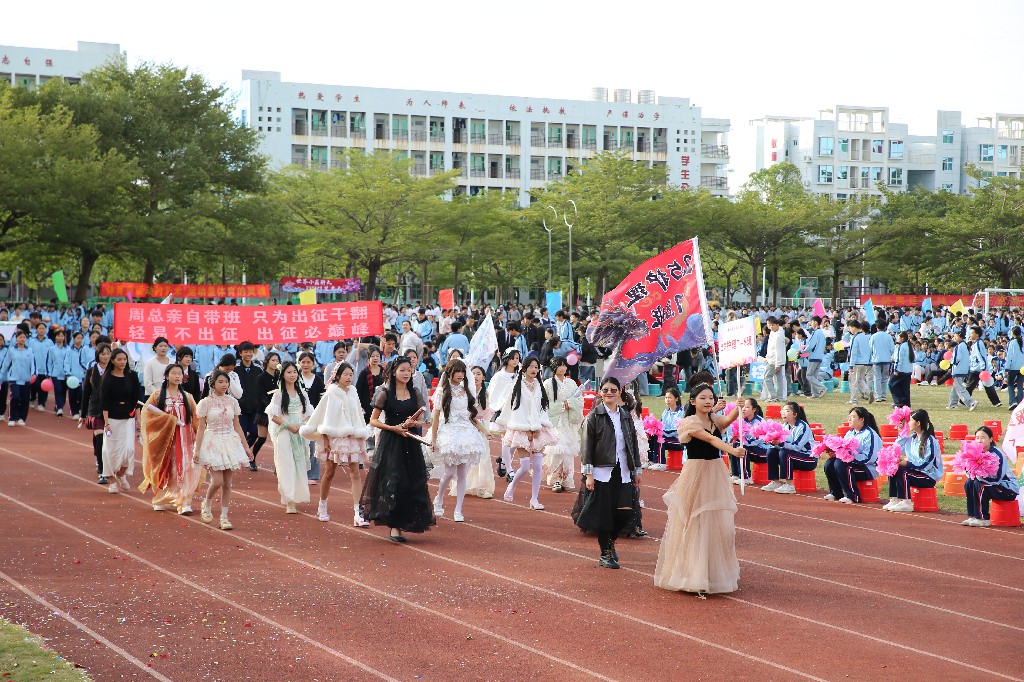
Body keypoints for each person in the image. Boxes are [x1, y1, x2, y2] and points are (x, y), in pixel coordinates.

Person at [654, 372, 743, 594]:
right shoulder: (689, 422)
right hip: (696, 472)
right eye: (703, 398)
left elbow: (726, 422)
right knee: (695, 520)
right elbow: (711, 439)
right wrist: (732, 451)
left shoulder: (714, 419)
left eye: (710, 398)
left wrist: (738, 407)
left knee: (716, 522)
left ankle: (711, 573)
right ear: (693, 401)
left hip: (715, 472)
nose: (708, 401)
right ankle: (691, 574)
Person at [360, 356, 434, 542]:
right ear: (394, 372)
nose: (406, 373)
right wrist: (393, 428)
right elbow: (373, 420)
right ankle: (394, 526)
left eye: (409, 370)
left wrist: (413, 423)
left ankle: (404, 522)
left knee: (412, 482)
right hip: (392, 442)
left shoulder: (415, 392)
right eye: (402, 370)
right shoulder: (385, 393)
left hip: (410, 442)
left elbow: (421, 420)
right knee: (394, 481)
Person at [575, 376, 643, 569]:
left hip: (624, 470)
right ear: (600, 392)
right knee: (604, 513)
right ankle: (605, 552)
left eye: (613, 390)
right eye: (605, 390)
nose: (609, 393)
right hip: (602, 472)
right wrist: (589, 474)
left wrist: (637, 469)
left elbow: (633, 444)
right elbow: (587, 447)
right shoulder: (594, 417)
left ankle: (610, 541)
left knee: (626, 511)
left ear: (620, 392)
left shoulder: (625, 416)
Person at [301, 362, 371, 525]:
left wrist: (360, 433)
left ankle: (358, 513)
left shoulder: (353, 392)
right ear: (337, 376)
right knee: (330, 471)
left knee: (355, 472)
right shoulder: (330, 394)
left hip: (352, 437)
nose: (348, 378)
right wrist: (325, 438)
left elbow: (358, 415)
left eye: (351, 375)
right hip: (334, 438)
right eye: (345, 374)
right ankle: (322, 506)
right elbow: (323, 418)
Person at [429, 359, 491, 522]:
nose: (461, 374)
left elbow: (471, 416)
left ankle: (458, 510)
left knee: (463, 473)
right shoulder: (442, 391)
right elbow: (436, 417)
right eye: (458, 371)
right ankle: (439, 498)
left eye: (463, 371)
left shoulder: (467, 391)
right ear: (450, 372)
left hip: (466, 434)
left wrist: (485, 431)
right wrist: (433, 439)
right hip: (449, 433)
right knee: (450, 472)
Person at [194, 369, 254, 530]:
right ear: (212, 384)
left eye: (226, 382)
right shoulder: (205, 403)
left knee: (228, 483)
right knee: (217, 481)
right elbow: (201, 428)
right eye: (220, 382)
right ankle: (207, 503)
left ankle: (224, 517)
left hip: (229, 442)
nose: (224, 385)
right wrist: (197, 450)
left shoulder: (232, 402)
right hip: (212, 442)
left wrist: (246, 447)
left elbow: (237, 425)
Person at [138, 364, 200, 514]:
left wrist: (198, 435)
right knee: (162, 467)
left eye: (180, 373)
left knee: (185, 467)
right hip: (164, 438)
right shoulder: (157, 396)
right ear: (166, 376)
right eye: (174, 373)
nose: (177, 376)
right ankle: (160, 498)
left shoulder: (187, 397)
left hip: (184, 438)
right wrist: (169, 420)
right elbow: (148, 415)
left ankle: (184, 501)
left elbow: (195, 417)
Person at [498, 356, 556, 509]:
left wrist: (538, 427)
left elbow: (542, 409)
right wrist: (527, 429)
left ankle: (534, 499)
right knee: (524, 467)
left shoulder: (539, 386)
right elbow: (516, 410)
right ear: (524, 368)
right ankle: (512, 486)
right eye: (531, 366)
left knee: (537, 466)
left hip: (538, 430)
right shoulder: (517, 386)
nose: (534, 370)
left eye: (536, 367)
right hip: (521, 429)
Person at [266, 361, 313, 514]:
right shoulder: (279, 394)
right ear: (283, 374)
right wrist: (289, 426)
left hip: (299, 434)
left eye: (294, 372)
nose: (292, 375)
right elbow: (274, 416)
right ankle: (289, 500)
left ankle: (297, 496)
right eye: (289, 372)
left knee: (299, 464)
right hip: (285, 434)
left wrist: (302, 425)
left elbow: (308, 414)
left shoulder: (302, 393)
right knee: (286, 465)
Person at [100, 348, 143, 494]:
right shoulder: (107, 378)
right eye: (119, 359)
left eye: (124, 359)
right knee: (110, 451)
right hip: (112, 418)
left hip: (128, 417)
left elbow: (136, 399)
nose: (123, 362)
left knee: (129, 450)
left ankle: (121, 474)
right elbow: (104, 402)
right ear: (112, 361)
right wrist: (106, 423)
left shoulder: (132, 376)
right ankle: (112, 481)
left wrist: (139, 419)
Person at [884, 409, 942, 512]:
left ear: (918, 423)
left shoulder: (930, 441)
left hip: (928, 476)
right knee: (893, 467)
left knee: (902, 470)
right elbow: (897, 447)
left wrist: (908, 464)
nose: (908, 423)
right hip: (915, 471)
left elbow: (926, 464)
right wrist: (902, 432)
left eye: (910, 420)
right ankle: (894, 499)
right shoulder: (912, 438)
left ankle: (906, 502)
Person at [963, 426, 1020, 527]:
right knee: (969, 483)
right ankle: (972, 515)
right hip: (990, 485)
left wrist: (979, 476)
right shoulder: (975, 453)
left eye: (983, 438)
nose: (979, 440)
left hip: (1007, 489)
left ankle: (983, 518)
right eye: (977, 438)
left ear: (990, 439)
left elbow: (997, 478)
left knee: (981, 485)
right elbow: (969, 472)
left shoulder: (997, 454)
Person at [823, 406, 881, 504]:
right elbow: (844, 450)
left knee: (840, 464)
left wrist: (849, 457)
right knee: (830, 463)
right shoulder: (850, 433)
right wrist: (836, 453)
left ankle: (853, 496)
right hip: (852, 464)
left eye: (853, 417)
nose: (849, 419)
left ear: (862, 419)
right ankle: (836, 492)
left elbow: (870, 458)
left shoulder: (870, 434)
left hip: (868, 468)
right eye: (849, 417)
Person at [543, 357, 583, 492]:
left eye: (564, 365)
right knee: (556, 450)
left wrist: (570, 403)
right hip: (555, 421)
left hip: (567, 421)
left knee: (567, 452)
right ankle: (556, 480)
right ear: (554, 367)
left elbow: (580, 400)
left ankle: (566, 479)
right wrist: (561, 405)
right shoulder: (548, 383)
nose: (562, 368)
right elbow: (544, 403)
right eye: (559, 365)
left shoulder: (571, 383)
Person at [762, 402, 816, 495]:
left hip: (808, 459)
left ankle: (790, 485)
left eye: (787, 411)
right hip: (793, 456)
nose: (783, 413)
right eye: (782, 410)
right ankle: (775, 481)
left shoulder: (802, 426)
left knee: (785, 453)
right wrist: (772, 441)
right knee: (771, 451)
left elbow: (797, 446)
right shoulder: (784, 426)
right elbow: (781, 445)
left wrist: (780, 443)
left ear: (795, 414)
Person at [459, 365, 496, 499]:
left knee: (483, 458)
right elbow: (468, 415)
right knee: (467, 458)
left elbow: (486, 413)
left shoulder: (485, 393)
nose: (475, 376)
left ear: (484, 377)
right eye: (473, 373)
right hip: (467, 427)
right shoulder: (465, 392)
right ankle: (464, 484)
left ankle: (482, 487)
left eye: (478, 374)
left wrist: (486, 430)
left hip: (481, 427)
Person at [487, 348, 520, 479]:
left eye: (517, 358)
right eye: (513, 358)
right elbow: (493, 393)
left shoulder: (520, 374)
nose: (515, 361)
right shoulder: (499, 376)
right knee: (506, 440)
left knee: (515, 440)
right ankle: (509, 470)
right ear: (507, 359)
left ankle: (504, 462)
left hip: (517, 411)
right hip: (502, 411)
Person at [298, 351, 326, 485]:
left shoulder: (318, 380)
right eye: (303, 362)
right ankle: (298, 473)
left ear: (313, 364)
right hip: (297, 416)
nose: (306, 365)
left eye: (308, 362)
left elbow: (322, 400)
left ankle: (313, 474)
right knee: (298, 446)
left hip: (314, 417)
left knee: (313, 446)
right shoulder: (295, 378)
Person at [251, 351, 280, 470]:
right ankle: (252, 459)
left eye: (277, 361)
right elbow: (261, 395)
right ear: (267, 361)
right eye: (273, 360)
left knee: (278, 440)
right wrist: (270, 407)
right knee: (262, 438)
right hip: (264, 411)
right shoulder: (261, 377)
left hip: (278, 411)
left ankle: (278, 465)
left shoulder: (279, 376)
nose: (275, 363)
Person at [2, 329, 34, 426]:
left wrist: (34, 374)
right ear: (16, 339)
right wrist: (1, 375)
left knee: (25, 399)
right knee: (15, 397)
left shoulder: (29, 350)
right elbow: (6, 364)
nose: (22, 339)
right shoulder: (11, 350)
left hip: (26, 379)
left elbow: (33, 364)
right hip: (14, 378)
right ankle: (12, 418)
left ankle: (21, 418)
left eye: (24, 337)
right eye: (20, 337)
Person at [729, 398, 762, 484]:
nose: (743, 409)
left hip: (762, 450)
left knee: (742, 449)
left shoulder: (759, 422)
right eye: (743, 407)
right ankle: (735, 474)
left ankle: (746, 477)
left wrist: (742, 443)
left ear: (754, 409)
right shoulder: (742, 420)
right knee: (733, 446)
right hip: (750, 447)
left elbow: (756, 441)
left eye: (747, 407)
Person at [654, 388, 685, 471]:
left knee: (660, 440)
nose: (667, 400)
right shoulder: (666, 412)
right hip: (668, 438)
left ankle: (661, 463)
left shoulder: (681, 412)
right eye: (666, 398)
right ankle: (652, 461)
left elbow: (676, 431)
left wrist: (662, 433)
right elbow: (661, 425)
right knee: (652, 437)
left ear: (676, 399)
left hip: (679, 441)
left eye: (670, 397)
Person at [889, 331, 915, 408]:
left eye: (899, 337)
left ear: (902, 338)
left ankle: (898, 401)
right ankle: (906, 403)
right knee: (905, 387)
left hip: (901, 370)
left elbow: (899, 359)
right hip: (908, 370)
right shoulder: (909, 346)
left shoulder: (901, 346)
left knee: (892, 384)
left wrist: (896, 369)